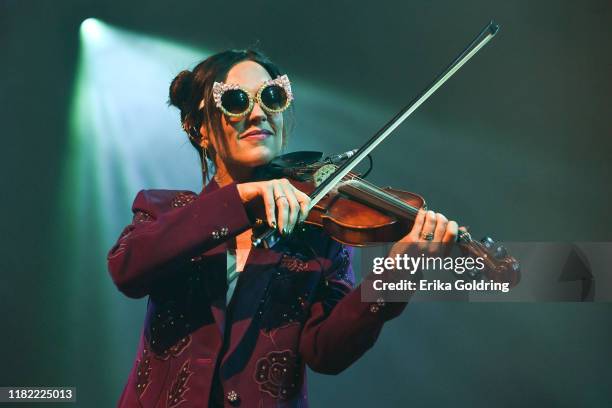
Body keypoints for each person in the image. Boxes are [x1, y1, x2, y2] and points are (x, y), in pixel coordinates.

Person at [107, 49, 458, 407]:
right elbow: (127, 268)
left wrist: (396, 276)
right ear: (199, 129)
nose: (258, 113)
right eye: (236, 101)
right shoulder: (165, 210)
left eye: (271, 97)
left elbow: (325, 353)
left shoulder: (318, 235)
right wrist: (242, 201)